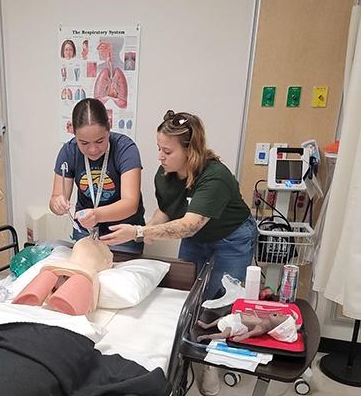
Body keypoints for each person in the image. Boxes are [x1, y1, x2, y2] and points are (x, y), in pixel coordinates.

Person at [101, 110, 257, 395]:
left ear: (190, 150)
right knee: (191, 293)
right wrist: (144, 236)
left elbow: (189, 225)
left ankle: (211, 363)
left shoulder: (215, 177)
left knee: (220, 302)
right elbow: (167, 209)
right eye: (158, 148)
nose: (160, 156)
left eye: (167, 150)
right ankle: (192, 349)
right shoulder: (166, 174)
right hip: (197, 237)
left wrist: (137, 232)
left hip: (231, 237)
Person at [50, 98, 145, 253]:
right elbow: (56, 197)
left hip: (121, 232)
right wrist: (57, 204)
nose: (93, 150)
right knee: (84, 274)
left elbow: (130, 203)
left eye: (100, 141)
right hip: (85, 232)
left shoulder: (125, 149)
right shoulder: (69, 152)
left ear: (109, 126)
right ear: (73, 132)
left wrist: (96, 215)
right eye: (84, 143)